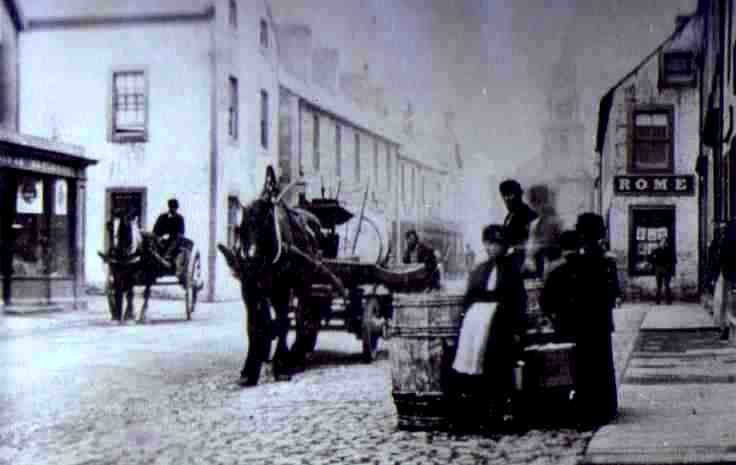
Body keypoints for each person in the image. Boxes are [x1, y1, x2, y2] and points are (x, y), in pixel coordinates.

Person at [450, 224, 527, 422]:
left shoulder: (512, 272)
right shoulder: (480, 270)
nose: (493, 248)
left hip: (501, 326)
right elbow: (469, 298)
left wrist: (518, 328)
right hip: (476, 326)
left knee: (498, 367)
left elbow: (518, 301)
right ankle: (479, 409)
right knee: (476, 365)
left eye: (497, 244)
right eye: (489, 243)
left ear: (504, 246)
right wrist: (466, 319)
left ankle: (499, 409)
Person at [570, 212, 619, 428]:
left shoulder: (577, 259)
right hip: (600, 319)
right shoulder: (605, 258)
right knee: (603, 363)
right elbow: (613, 291)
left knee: (584, 365)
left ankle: (587, 409)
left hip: (582, 319)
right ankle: (605, 407)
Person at [539, 230, 582, 341]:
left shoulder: (554, 269)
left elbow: (544, 301)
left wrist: (551, 316)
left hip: (563, 323)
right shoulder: (591, 267)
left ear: (561, 247)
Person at [524, 184, 563, 278]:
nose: (534, 208)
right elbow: (531, 245)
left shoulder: (556, 222)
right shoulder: (535, 223)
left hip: (553, 265)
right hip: (540, 266)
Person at [499, 179, 538, 272]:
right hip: (512, 263)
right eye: (504, 197)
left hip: (522, 264)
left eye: (510, 195)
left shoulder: (529, 215)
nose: (507, 200)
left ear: (519, 195)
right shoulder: (510, 215)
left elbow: (530, 243)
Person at [153, 198, 186, 271]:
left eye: (175, 208)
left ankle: (165, 258)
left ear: (177, 208)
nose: (173, 209)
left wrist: (170, 236)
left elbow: (181, 232)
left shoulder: (180, 218)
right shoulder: (162, 217)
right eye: (171, 207)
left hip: (173, 241)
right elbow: (156, 229)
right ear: (169, 207)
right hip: (161, 239)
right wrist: (159, 237)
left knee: (175, 242)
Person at [650, 237, 676, 305]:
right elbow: (651, 258)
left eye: (664, 242)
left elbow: (673, 260)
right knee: (659, 286)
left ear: (666, 243)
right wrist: (655, 266)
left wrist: (669, 266)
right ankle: (658, 300)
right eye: (662, 242)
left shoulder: (669, 250)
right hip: (658, 269)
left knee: (667, 285)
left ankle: (668, 300)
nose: (663, 243)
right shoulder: (656, 250)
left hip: (666, 269)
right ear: (660, 243)